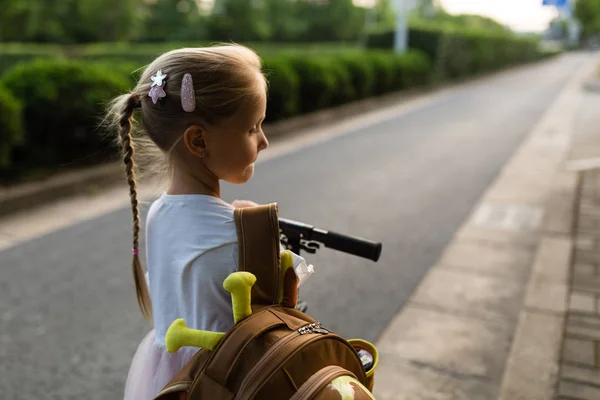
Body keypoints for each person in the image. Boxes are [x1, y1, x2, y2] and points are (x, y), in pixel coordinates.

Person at [105, 44, 313, 400]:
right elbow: (283, 318)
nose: (264, 141)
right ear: (198, 140)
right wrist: (257, 232)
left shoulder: (156, 214)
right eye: (252, 128)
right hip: (232, 384)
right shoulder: (247, 234)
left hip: (170, 383)